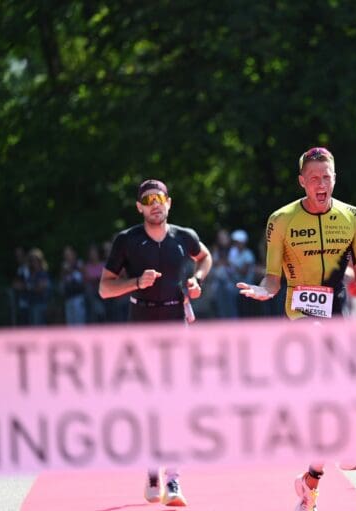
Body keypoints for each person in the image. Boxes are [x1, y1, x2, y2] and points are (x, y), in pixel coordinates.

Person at [236, 147, 356, 511]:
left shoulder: (354, 217)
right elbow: (272, 276)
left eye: (326, 177)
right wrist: (264, 290)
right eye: (313, 179)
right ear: (302, 182)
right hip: (301, 313)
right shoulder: (281, 220)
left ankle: (310, 480)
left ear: (334, 178)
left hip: (338, 311)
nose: (321, 184)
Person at [99, 179, 212, 507]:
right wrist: (135, 281)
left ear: (169, 202)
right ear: (139, 207)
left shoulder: (183, 236)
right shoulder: (127, 241)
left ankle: (174, 480)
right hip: (142, 325)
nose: (154, 204)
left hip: (177, 322)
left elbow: (204, 258)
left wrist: (197, 279)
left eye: (159, 198)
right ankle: (151, 469)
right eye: (148, 199)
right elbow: (105, 288)